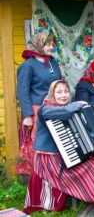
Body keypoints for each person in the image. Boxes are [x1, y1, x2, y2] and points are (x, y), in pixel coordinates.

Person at [24, 80, 94, 217]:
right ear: (51, 94)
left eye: (66, 92)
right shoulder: (46, 109)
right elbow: (65, 112)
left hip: (64, 152)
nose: (63, 95)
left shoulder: (66, 106)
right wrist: (80, 103)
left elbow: (80, 122)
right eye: (59, 92)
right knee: (88, 167)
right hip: (49, 158)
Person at [16, 32, 62, 178]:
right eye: (47, 44)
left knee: (54, 141)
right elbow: (22, 92)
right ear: (38, 45)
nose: (51, 47)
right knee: (37, 143)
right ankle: (34, 176)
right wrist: (28, 115)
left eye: (51, 44)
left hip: (54, 109)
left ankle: (53, 173)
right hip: (37, 110)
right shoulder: (28, 65)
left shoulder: (53, 63)